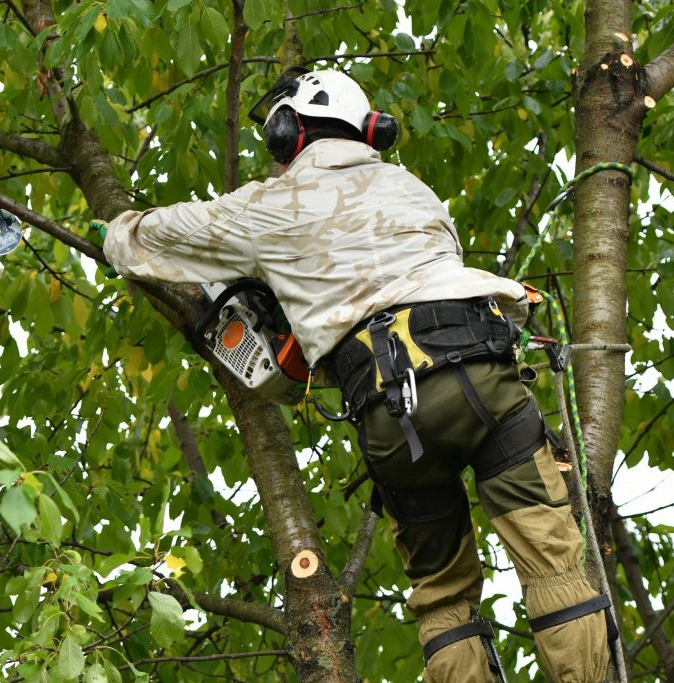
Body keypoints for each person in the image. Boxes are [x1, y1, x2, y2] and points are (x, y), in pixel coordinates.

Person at [103, 67, 611, 683]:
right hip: (482, 377)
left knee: (443, 597)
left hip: (390, 416)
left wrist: (118, 229)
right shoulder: (414, 189)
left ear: (290, 132)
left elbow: (146, 242)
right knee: (553, 564)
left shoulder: (268, 205)